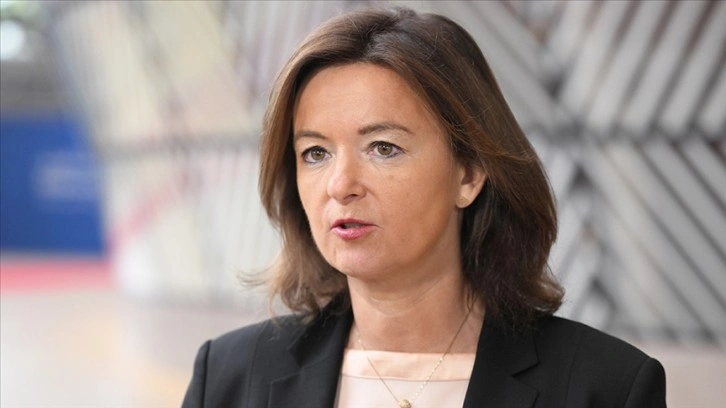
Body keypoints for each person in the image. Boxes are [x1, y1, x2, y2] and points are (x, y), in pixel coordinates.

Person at [182, 6, 666, 408]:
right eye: (315, 153)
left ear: (469, 174)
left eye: (383, 148)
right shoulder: (228, 378)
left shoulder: (605, 386)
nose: (341, 184)